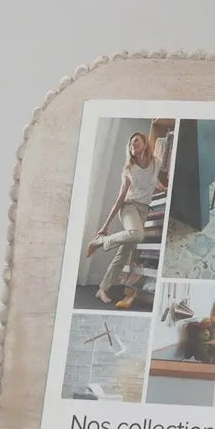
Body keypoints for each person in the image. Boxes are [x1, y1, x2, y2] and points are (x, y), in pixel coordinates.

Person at [85, 132, 166, 308]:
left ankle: (102, 289)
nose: (132, 145)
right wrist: (105, 227)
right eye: (130, 144)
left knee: (123, 255)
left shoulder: (156, 162)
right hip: (129, 207)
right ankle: (102, 241)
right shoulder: (129, 170)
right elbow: (120, 198)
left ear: (145, 143)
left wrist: (164, 188)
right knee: (137, 235)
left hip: (144, 210)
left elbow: (154, 181)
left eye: (136, 141)